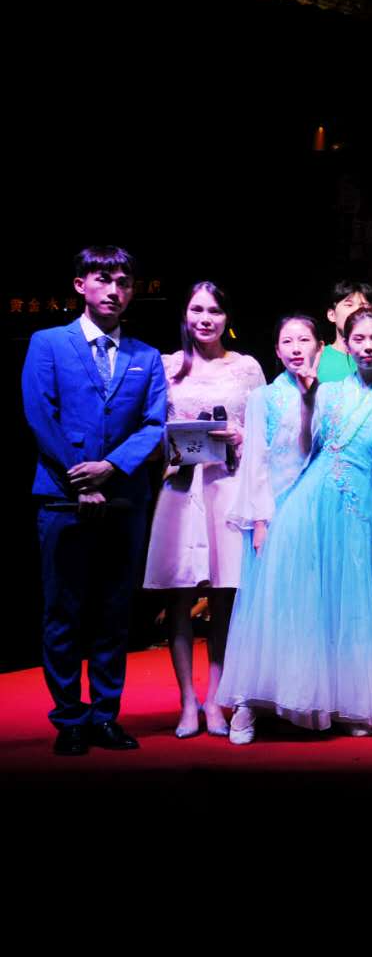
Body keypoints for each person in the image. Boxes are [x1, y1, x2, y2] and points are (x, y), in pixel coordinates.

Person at [222, 306, 372, 738]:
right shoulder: (328, 392)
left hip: (362, 512)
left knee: (351, 608)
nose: (368, 347)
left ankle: (351, 704)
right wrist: (310, 401)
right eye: (359, 339)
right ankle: (250, 702)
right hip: (310, 504)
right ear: (346, 346)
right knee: (291, 603)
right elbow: (307, 446)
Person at [23, 246, 167, 755]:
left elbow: (154, 424)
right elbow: (40, 414)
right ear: (80, 284)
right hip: (62, 498)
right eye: (103, 279)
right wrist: (82, 480)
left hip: (124, 501)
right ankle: (69, 718)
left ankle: (105, 715)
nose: (114, 290)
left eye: (124, 281)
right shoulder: (48, 343)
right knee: (63, 611)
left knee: (113, 612)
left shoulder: (146, 356)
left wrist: (112, 468)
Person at [142, 281, 266, 738]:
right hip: (180, 487)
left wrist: (240, 435)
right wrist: (170, 442)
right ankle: (186, 703)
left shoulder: (246, 368)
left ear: (226, 317)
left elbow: (265, 430)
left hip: (227, 486)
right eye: (197, 309)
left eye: (214, 310)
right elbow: (148, 427)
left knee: (223, 596)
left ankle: (215, 700)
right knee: (178, 595)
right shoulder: (166, 365)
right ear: (185, 315)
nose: (205, 318)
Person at [224, 315, 320, 745]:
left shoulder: (330, 395)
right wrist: (260, 520)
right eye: (288, 341)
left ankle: (301, 699)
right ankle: (247, 702)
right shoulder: (262, 397)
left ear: (319, 347)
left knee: (308, 609)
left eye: (304, 340)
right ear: (277, 351)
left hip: (315, 513)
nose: (296, 348)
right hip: (274, 512)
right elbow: (256, 462)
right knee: (264, 608)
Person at [317, 280, 372, 383]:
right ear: (332, 315)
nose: (357, 311)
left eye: (363, 306)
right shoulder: (317, 358)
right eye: (349, 305)